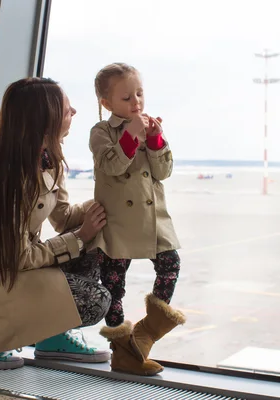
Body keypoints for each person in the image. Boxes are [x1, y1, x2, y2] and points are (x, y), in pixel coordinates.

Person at [0, 77, 112, 370]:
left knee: (93, 249)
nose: (74, 112)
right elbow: (19, 256)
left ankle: (52, 339)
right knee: (96, 300)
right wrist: (79, 237)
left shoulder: (48, 158)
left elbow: (64, 217)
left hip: (20, 265)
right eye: (66, 110)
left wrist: (108, 200)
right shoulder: (6, 177)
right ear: (46, 119)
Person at [89, 63, 186, 376]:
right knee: (114, 285)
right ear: (107, 104)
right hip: (117, 222)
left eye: (140, 93)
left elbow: (163, 172)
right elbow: (113, 166)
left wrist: (156, 141)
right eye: (127, 97)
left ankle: (144, 335)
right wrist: (131, 135)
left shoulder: (148, 129)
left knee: (170, 264)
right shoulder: (101, 131)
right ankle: (123, 352)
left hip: (153, 220)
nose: (137, 102)